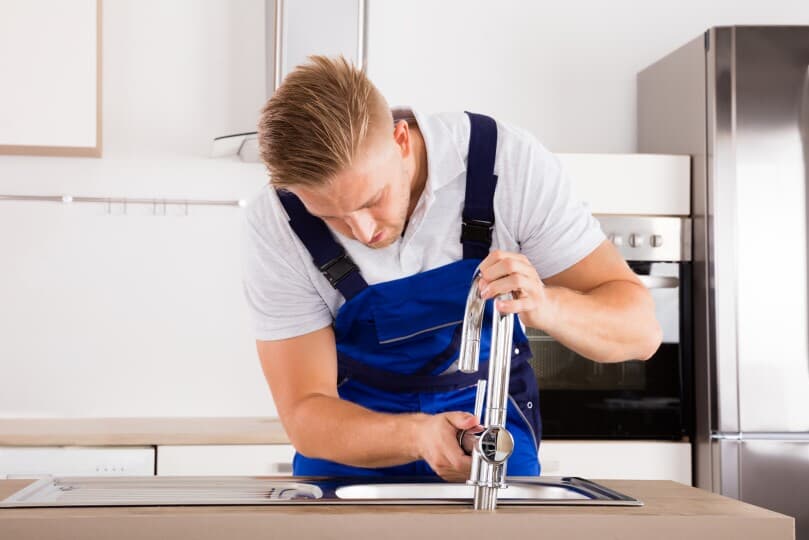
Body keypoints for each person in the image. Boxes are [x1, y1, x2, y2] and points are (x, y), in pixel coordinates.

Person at [242, 55, 662, 482]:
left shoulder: (509, 164)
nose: (363, 231)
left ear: (401, 140)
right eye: (331, 217)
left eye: (372, 200)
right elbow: (306, 413)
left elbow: (641, 332)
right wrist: (418, 436)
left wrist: (546, 305)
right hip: (349, 460)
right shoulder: (276, 220)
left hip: (491, 451)